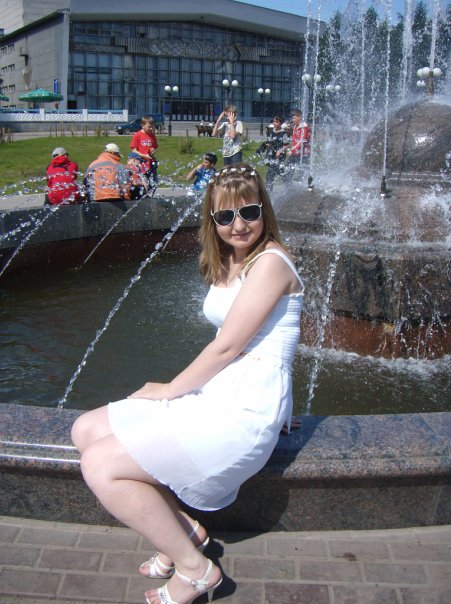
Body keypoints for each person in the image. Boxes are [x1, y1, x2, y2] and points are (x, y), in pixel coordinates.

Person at [71, 163, 304, 604]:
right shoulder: (232, 259)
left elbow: (228, 347)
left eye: (249, 211)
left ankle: (195, 569)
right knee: (85, 429)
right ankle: (184, 530)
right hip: (220, 394)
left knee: (100, 466)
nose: (238, 225)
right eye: (225, 216)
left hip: (244, 411)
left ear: (264, 210)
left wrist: (169, 389)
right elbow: (266, 338)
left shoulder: (271, 263)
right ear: (212, 220)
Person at [257, 116, 289, 191]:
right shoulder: (272, 132)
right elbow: (270, 142)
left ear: (280, 123)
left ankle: (269, 191)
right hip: (272, 156)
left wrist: (280, 150)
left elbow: (286, 145)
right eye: (274, 122)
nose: (275, 123)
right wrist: (265, 147)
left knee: (270, 173)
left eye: (277, 122)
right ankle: (288, 184)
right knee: (279, 171)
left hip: (280, 156)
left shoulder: (283, 133)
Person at [278, 108, 311, 177]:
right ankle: (288, 183)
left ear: (300, 117)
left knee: (302, 174)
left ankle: (306, 182)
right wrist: (286, 128)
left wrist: (292, 150)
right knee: (288, 170)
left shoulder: (304, 127)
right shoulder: (295, 126)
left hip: (303, 154)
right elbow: (293, 139)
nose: (293, 120)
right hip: (295, 153)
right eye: (292, 118)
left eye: (294, 118)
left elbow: (301, 141)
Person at [130, 116, 159, 186]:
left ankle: (150, 191)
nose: (151, 128)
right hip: (141, 162)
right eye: (149, 127)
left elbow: (155, 147)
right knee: (144, 180)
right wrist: (144, 156)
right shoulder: (137, 135)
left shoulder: (152, 135)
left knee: (154, 182)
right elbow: (134, 150)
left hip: (150, 162)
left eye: (152, 126)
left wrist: (153, 151)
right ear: (143, 126)